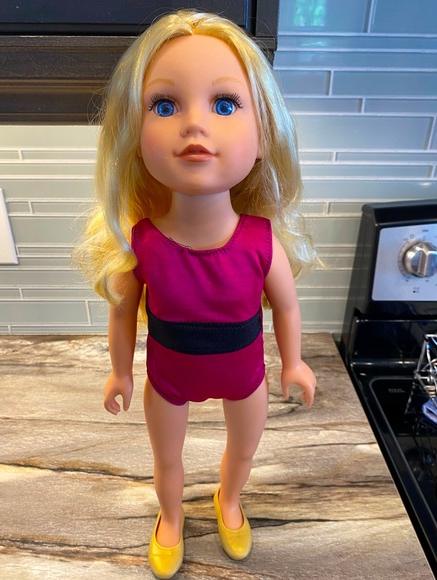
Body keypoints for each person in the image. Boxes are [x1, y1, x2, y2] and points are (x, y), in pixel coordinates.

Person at [74, 10, 318, 579]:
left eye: (225, 104)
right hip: (169, 375)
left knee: (243, 450)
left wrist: (295, 362)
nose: (194, 125)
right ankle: (170, 516)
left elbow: (286, 306)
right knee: (167, 459)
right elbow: (122, 315)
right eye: (164, 106)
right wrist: (119, 372)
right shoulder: (141, 244)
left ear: (264, 134)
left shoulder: (261, 242)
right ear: (134, 137)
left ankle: (229, 501)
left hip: (245, 374)